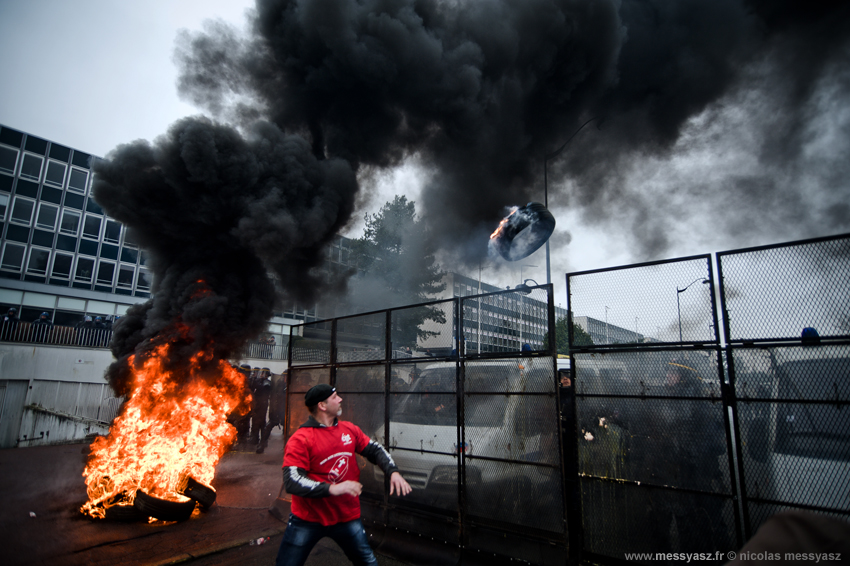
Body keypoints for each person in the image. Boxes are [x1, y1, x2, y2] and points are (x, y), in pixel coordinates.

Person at [277, 383, 412, 566]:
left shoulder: (349, 429)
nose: (340, 399)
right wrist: (332, 488)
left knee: (368, 562)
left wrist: (393, 472)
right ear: (322, 406)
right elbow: (292, 481)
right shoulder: (301, 439)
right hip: (307, 519)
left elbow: (375, 450)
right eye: (335, 397)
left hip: (346, 517)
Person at [249, 367, 272, 451]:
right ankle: (255, 438)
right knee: (255, 421)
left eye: (262, 373)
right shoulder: (259, 381)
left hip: (262, 405)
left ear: (266, 375)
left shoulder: (267, 383)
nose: (261, 375)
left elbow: (262, 389)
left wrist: (256, 383)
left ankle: (263, 441)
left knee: (261, 423)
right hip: (257, 404)